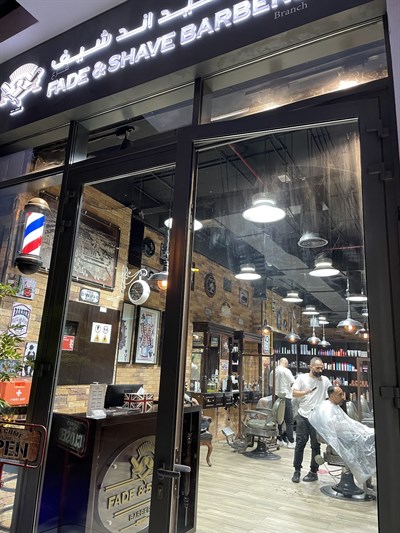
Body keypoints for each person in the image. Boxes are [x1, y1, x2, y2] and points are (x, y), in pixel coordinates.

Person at [309, 386, 376, 485]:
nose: (343, 397)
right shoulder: (327, 409)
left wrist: (356, 429)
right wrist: (352, 430)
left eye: (342, 394)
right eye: (340, 395)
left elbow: (343, 425)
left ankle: (368, 480)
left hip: (345, 437)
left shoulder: (333, 406)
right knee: (367, 442)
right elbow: (333, 428)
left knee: (370, 435)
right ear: (332, 396)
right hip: (340, 442)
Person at [291, 356, 330, 483]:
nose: (320, 370)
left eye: (322, 368)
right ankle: (297, 470)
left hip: (317, 418)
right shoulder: (302, 378)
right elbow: (294, 393)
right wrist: (305, 392)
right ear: (310, 367)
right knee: (300, 444)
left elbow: (330, 394)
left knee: (315, 445)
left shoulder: (325, 380)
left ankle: (313, 471)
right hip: (303, 416)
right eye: (317, 368)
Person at [269, 357, 295, 447]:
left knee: (279, 419)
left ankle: (279, 439)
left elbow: (271, 385)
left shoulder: (272, 372)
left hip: (276, 397)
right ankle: (291, 441)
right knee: (289, 420)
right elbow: (293, 383)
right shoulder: (287, 371)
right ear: (286, 363)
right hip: (286, 396)